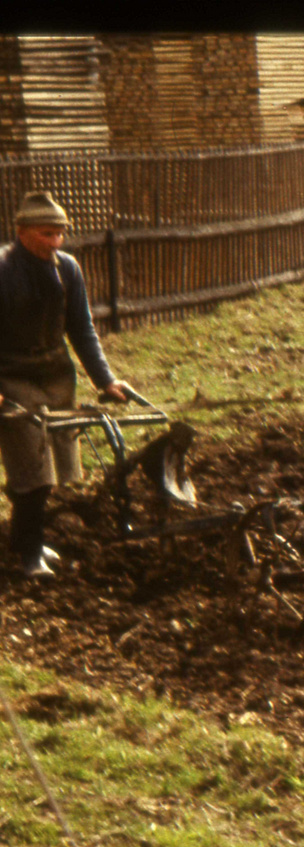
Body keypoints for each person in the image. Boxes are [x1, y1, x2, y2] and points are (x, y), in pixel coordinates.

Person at [1, 191, 137, 579]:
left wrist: (106, 379)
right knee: (32, 469)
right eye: (47, 234)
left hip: (55, 377)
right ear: (22, 232)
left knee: (54, 467)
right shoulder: (3, 269)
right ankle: (29, 553)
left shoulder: (68, 269)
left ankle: (25, 539)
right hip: (11, 378)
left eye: (60, 233)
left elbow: (82, 330)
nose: (55, 242)